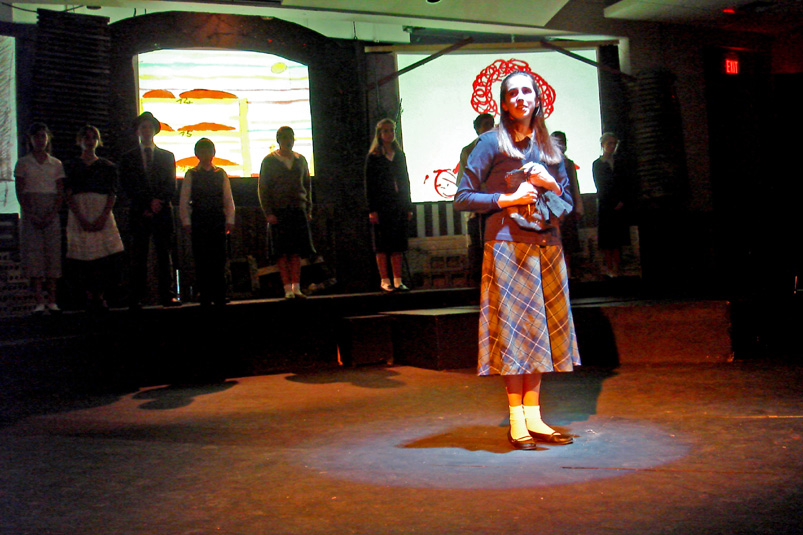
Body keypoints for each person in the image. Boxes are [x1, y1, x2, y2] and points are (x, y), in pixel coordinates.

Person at [454, 71, 580, 450]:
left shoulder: (550, 148)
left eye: (527, 91)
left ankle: (534, 417)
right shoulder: (490, 143)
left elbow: (567, 204)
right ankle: (516, 421)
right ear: (505, 104)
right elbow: (462, 197)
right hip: (508, 246)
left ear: (537, 99)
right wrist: (506, 199)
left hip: (547, 246)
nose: (521, 97)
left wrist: (549, 182)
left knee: (539, 333)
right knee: (515, 334)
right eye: (513, 93)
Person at [120, 111, 180, 309]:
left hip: (162, 212)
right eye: (143, 127)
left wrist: (157, 203)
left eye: (149, 127)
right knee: (138, 255)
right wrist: (147, 204)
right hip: (139, 212)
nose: (146, 130)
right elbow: (127, 186)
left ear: (154, 131)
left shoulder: (167, 156)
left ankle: (167, 294)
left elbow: (170, 185)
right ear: (137, 131)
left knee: (164, 254)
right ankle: (136, 297)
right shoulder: (128, 158)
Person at [64, 125, 124, 312]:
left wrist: (103, 217)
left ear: (98, 141)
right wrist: (80, 217)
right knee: (82, 258)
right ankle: (88, 295)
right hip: (79, 213)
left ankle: (101, 294)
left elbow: (112, 194)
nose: (90, 141)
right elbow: (68, 194)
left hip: (101, 212)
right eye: (86, 138)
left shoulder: (108, 167)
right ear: (79, 141)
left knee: (104, 257)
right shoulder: (71, 166)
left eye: (93, 138)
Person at [258, 126, 315, 299]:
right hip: (279, 211)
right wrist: (268, 212)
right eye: (284, 138)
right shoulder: (269, 161)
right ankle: (287, 289)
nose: (288, 141)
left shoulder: (301, 160)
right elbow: (263, 189)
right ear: (278, 140)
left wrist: (308, 209)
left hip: (298, 209)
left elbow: (307, 186)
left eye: (290, 138)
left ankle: (296, 287)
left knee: (296, 251)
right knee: (281, 252)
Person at [14, 123, 65, 315]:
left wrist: (52, 213)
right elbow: (20, 191)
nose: (40, 140)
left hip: (51, 209)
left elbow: (60, 192)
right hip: (31, 209)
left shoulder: (56, 164)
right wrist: (30, 213)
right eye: (36, 137)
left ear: (48, 138)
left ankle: (52, 300)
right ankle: (39, 301)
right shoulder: (23, 163)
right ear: (30, 139)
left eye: (43, 136)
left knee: (52, 254)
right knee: (34, 254)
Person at [179, 138, 235, 308]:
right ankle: (204, 295)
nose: (206, 154)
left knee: (219, 258)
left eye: (208, 151)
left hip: (217, 220)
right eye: (202, 151)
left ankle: (219, 294)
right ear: (197, 154)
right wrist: (186, 221)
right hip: (199, 220)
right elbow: (184, 200)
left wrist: (230, 220)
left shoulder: (221, 173)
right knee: (201, 258)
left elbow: (228, 199)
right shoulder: (191, 174)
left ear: (213, 153)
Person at [364, 118, 413, 293]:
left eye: (392, 130)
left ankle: (398, 280)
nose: (389, 134)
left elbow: (405, 181)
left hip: (397, 204)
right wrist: (372, 209)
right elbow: (369, 185)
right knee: (382, 245)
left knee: (397, 243)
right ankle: (385, 280)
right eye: (385, 131)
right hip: (381, 205)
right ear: (379, 134)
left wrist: (408, 206)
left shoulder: (399, 155)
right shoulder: (374, 157)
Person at [457, 113, 495, 287]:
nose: (490, 127)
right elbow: (463, 181)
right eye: (486, 124)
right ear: (478, 129)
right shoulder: (468, 151)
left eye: (492, 124)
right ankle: (480, 284)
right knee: (479, 246)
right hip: (478, 208)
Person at [592, 132, 629, 278]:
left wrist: (621, 200)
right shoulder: (597, 164)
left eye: (614, 143)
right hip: (605, 205)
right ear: (603, 145)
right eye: (609, 143)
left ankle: (618, 268)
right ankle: (609, 268)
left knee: (619, 239)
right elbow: (600, 185)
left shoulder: (620, 162)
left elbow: (625, 182)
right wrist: (612, 202)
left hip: (620, 204)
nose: (612, 146)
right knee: (607, 240)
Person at [551, 131, 583, 277]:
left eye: (563, 142)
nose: (562, 145)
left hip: (568, 206)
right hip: (553, 208)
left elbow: (575, 186)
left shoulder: (569, 163)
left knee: (569, 241)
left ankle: (568, 271)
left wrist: (579, 206)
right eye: (558, 142)